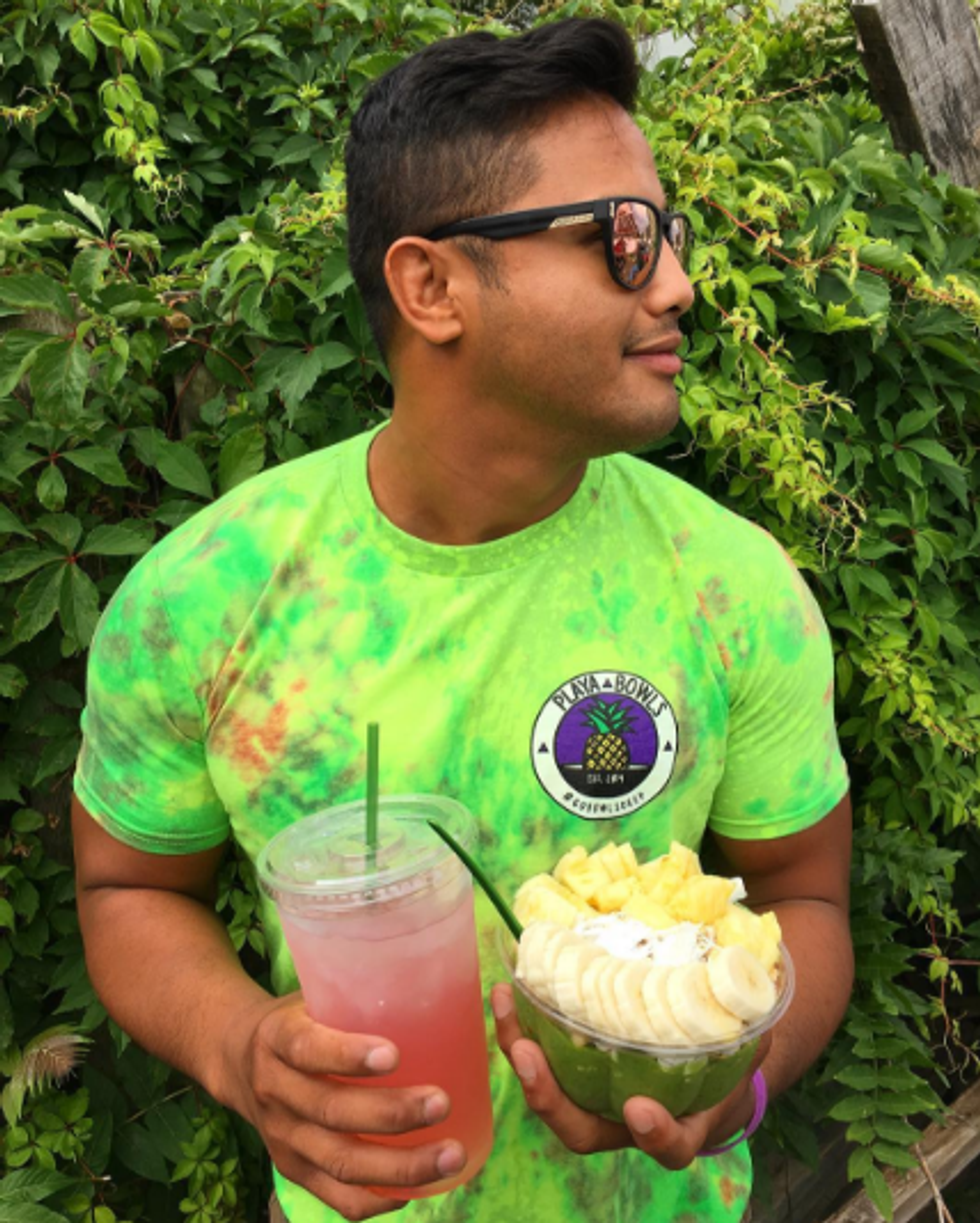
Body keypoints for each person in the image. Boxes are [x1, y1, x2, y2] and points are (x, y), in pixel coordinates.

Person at [71, 17, 853, 1223]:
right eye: (619, 239)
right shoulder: (204, 599)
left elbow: (806, 900)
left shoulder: (731, 588)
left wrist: (735, 1085)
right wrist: (235, 1044)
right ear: (431, 285)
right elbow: (129, 885)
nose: (676, 285)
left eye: (666, 235)